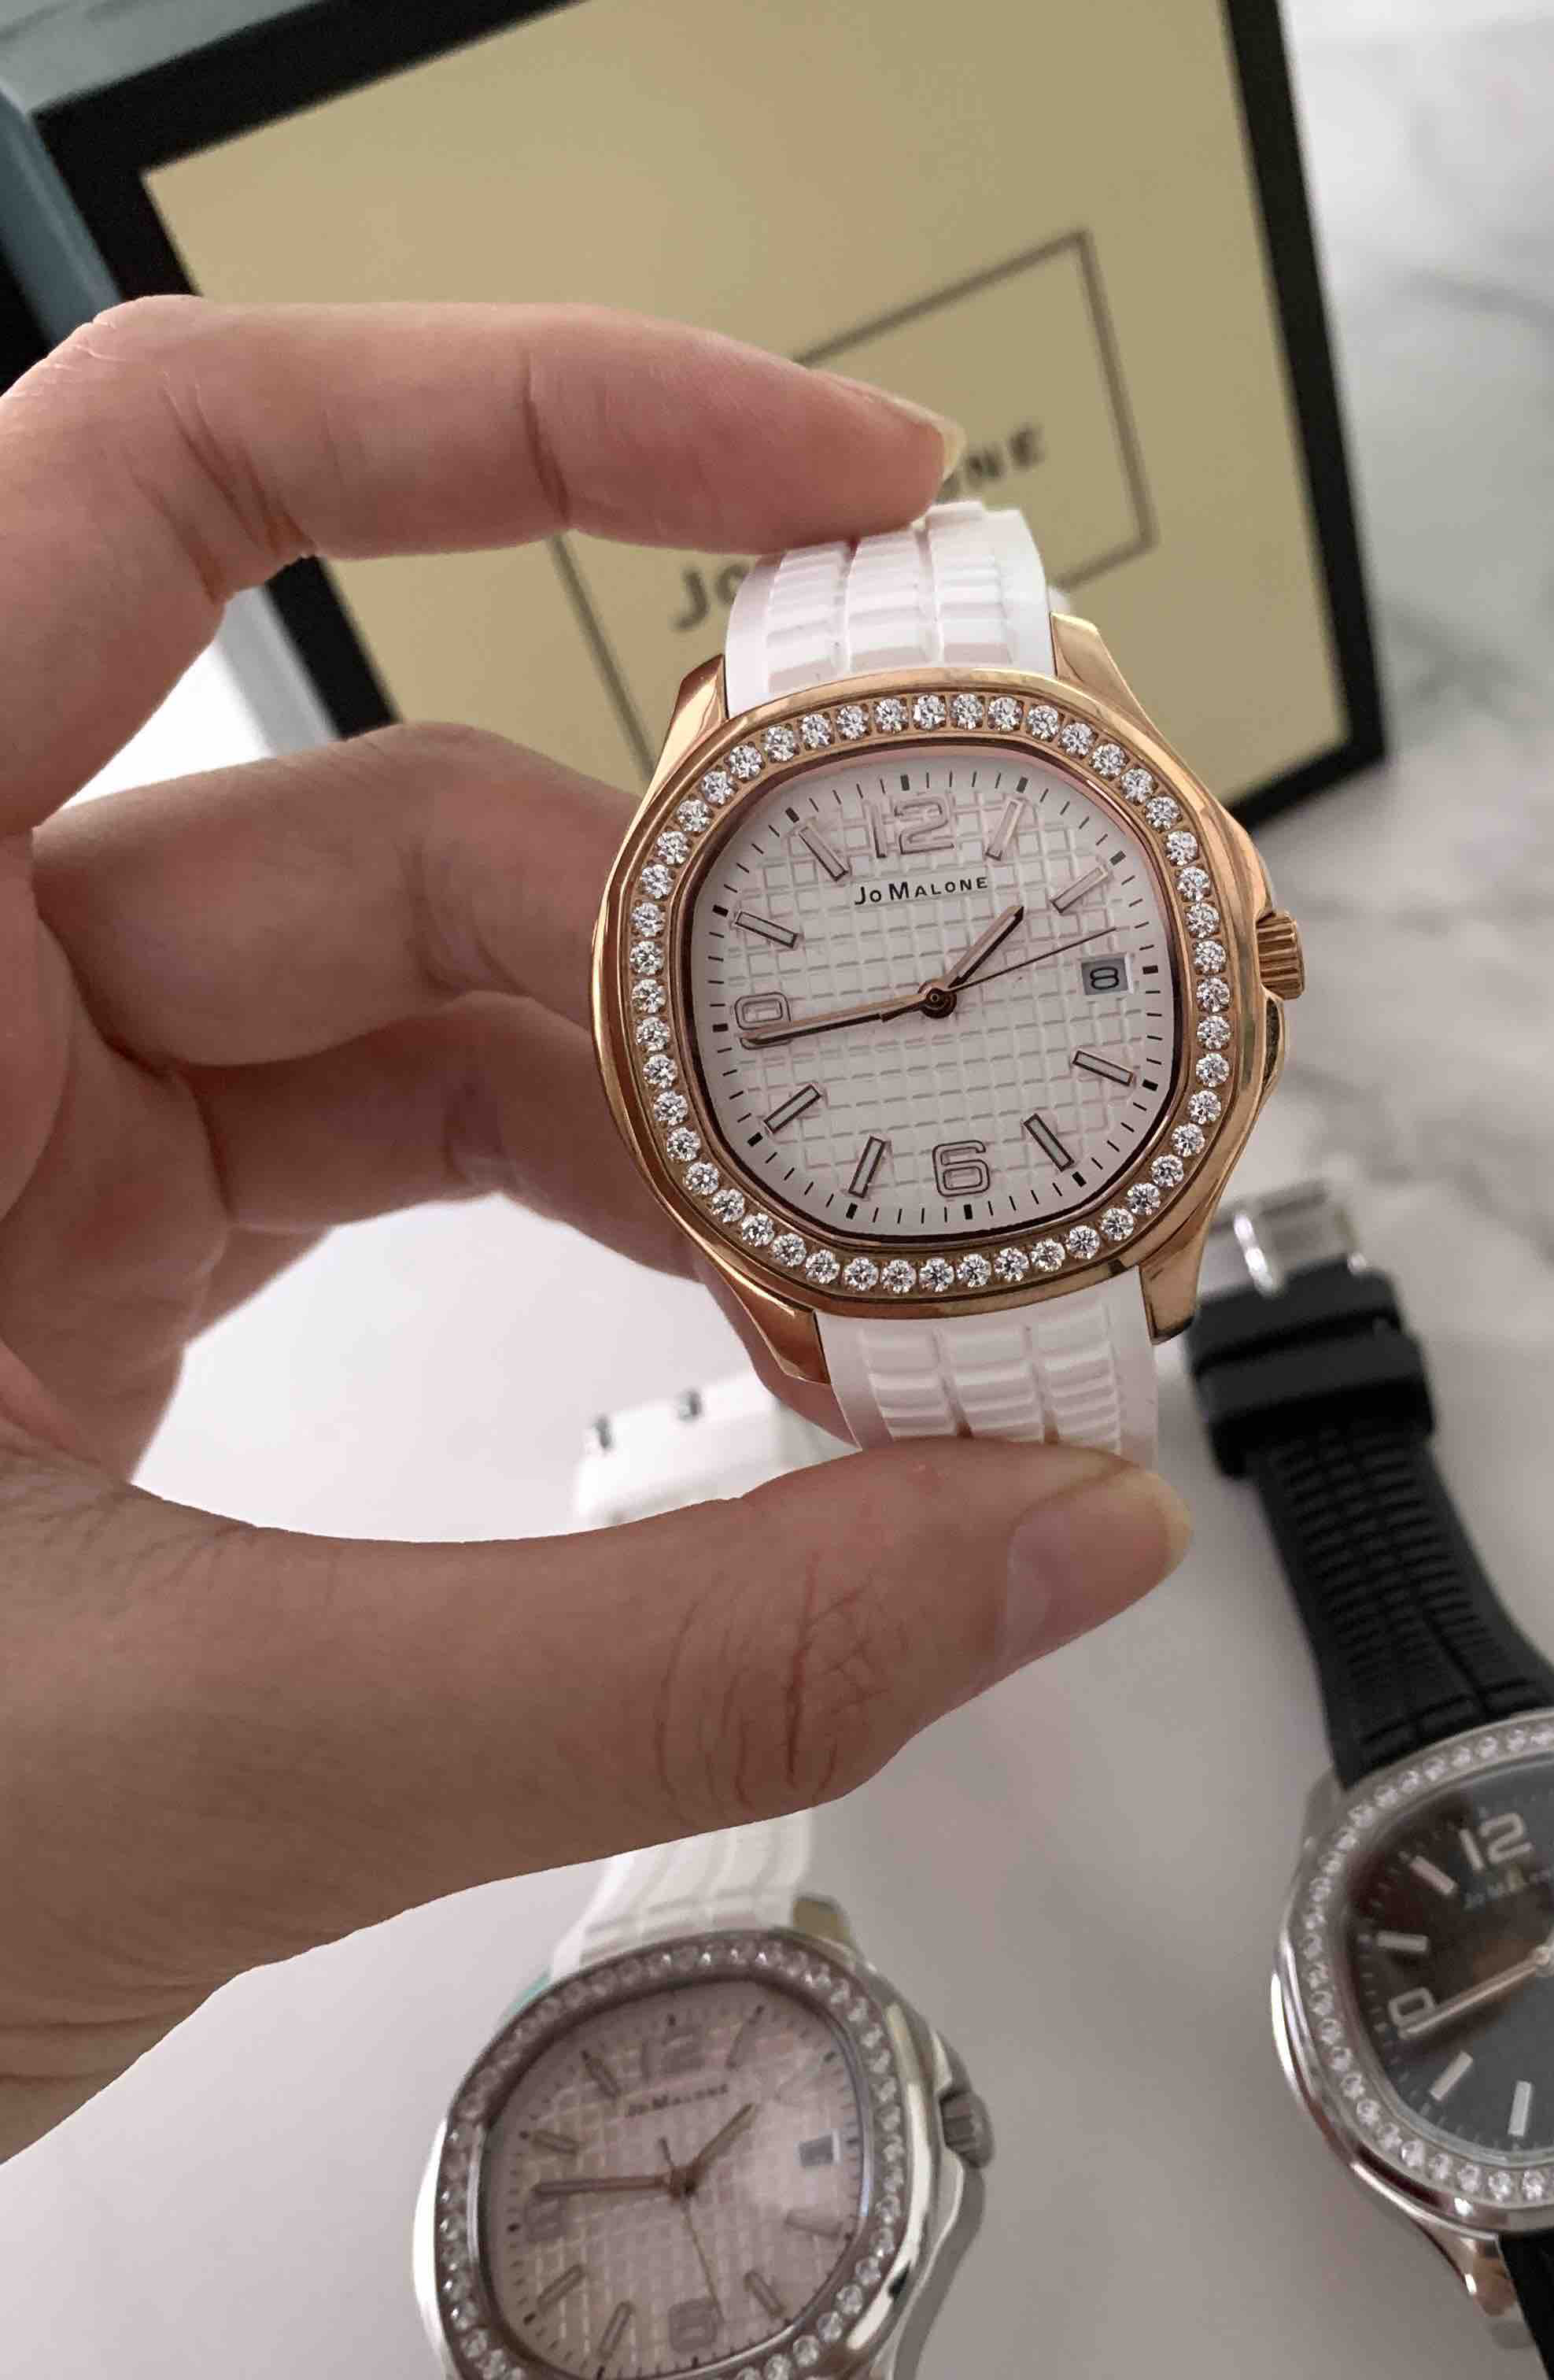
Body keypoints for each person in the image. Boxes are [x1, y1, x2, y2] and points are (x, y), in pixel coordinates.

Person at [0, 298, 1193, 2163]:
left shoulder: (1055, 741)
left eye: (947, 995)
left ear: (1232, 942)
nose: (935, 1007)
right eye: (914, 999)